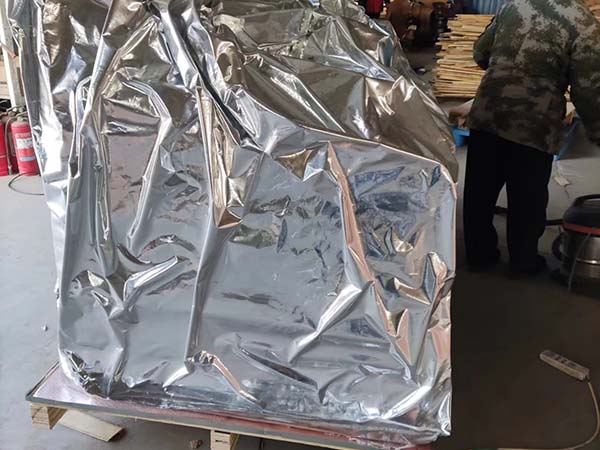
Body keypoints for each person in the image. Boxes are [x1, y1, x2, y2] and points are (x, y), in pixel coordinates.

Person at [464, 0, 600, 275]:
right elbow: (587, 88)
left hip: (488, 110)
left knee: (480, 189)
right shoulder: (583, 22)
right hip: (534, 120)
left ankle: (479, 255)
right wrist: (597, 130)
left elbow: (480, 53)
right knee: (527, 195)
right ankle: (523, 262)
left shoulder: (513, 5)